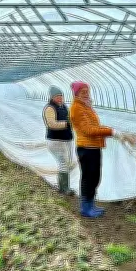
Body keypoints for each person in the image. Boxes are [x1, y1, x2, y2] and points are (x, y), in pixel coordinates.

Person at [69, 81, 116, 218]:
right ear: (76, 93)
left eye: (87, 91)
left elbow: (96, 125)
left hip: (93, 147)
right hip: (86, 148)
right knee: (88, 177)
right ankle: (85, 208)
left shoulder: (86, 107)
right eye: (83, 92)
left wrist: (108, 130)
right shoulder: (76, 108)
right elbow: (88, 130)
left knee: (95, 177)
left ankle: (90, 203)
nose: (86, 94)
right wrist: (111, 132)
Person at [43, 86, 76, 196]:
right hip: (56, 140)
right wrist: (67, 124)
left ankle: (63, 187)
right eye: (58, 96)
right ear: (52, 97)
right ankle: (64, 188)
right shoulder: (50, 108)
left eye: (61, 95)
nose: (60, 98)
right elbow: (52, 124)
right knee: (63, 163)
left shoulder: (63, 106)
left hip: (64, 140)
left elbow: (69, 119)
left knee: (65, 163)